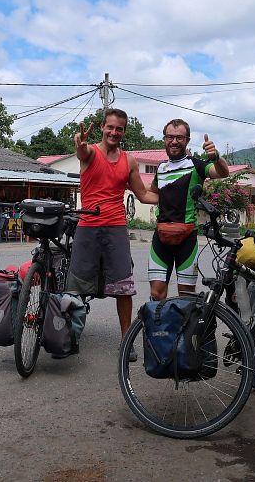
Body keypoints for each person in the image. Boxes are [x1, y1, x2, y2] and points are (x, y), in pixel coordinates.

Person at [64, 108, 158, 359]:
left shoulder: (129, 161)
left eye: (119, 129)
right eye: (110, 127)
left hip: (116, 227)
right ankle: (67, 338)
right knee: (75, 286)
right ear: (103, 128)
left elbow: (144, 194)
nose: (114, 132)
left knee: (123, 286)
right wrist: (79, 144)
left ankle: (126, 340)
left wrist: (172, 197)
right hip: (88, 226)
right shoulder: (90, 152)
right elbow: (82, 152)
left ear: (124, 131)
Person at [148, 119, 230, 301]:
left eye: (179, 137)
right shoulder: (161, 168)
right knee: (156, 293)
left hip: (187, 238)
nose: (174, 141)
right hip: (161, 236)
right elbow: (152, 193)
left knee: (186, 296)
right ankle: (160, 320)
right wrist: (126, 182)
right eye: (170, 137)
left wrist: (216, 156)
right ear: (164, 139)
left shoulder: (197, 165)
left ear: (187, 140)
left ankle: (182, 321)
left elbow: (223, 172)